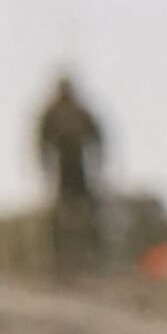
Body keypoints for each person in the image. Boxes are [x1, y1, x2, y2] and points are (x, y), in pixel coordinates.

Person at [36, 67, 108, 274]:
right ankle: (56, 263)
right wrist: (45, 170)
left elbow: (97, 140)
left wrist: (98, 169)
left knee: (91, 213)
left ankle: (95, 259)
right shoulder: (51, 113)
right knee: (56, 217)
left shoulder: (81, 113)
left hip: (79, 168)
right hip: (61, 169)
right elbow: (41, 143)